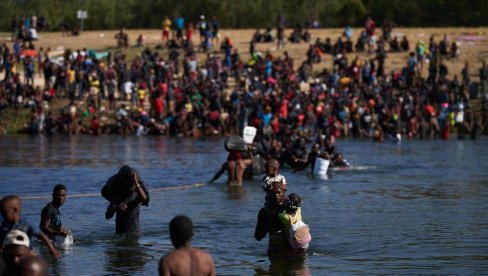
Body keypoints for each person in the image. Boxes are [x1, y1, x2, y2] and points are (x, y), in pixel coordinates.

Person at [255, 181, 300, 256]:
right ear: (268, 194)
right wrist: (268, 223)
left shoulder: (290, 209)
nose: (276, 195)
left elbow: (298, 229)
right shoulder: (264, 212)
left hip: (292, 250)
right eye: (273, 193)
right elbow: (258, 237)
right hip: (274, 250)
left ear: (283, 193)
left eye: (279, 193)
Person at [102, 165, 149, 234]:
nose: (130, 187)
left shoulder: (137, 195)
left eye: (132, 185)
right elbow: (107, 216)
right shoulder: (117, 197)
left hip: (134, 232)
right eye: (128, 185)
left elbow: (145, 199)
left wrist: (136, 182)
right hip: (119, 232)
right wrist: (117, 207)